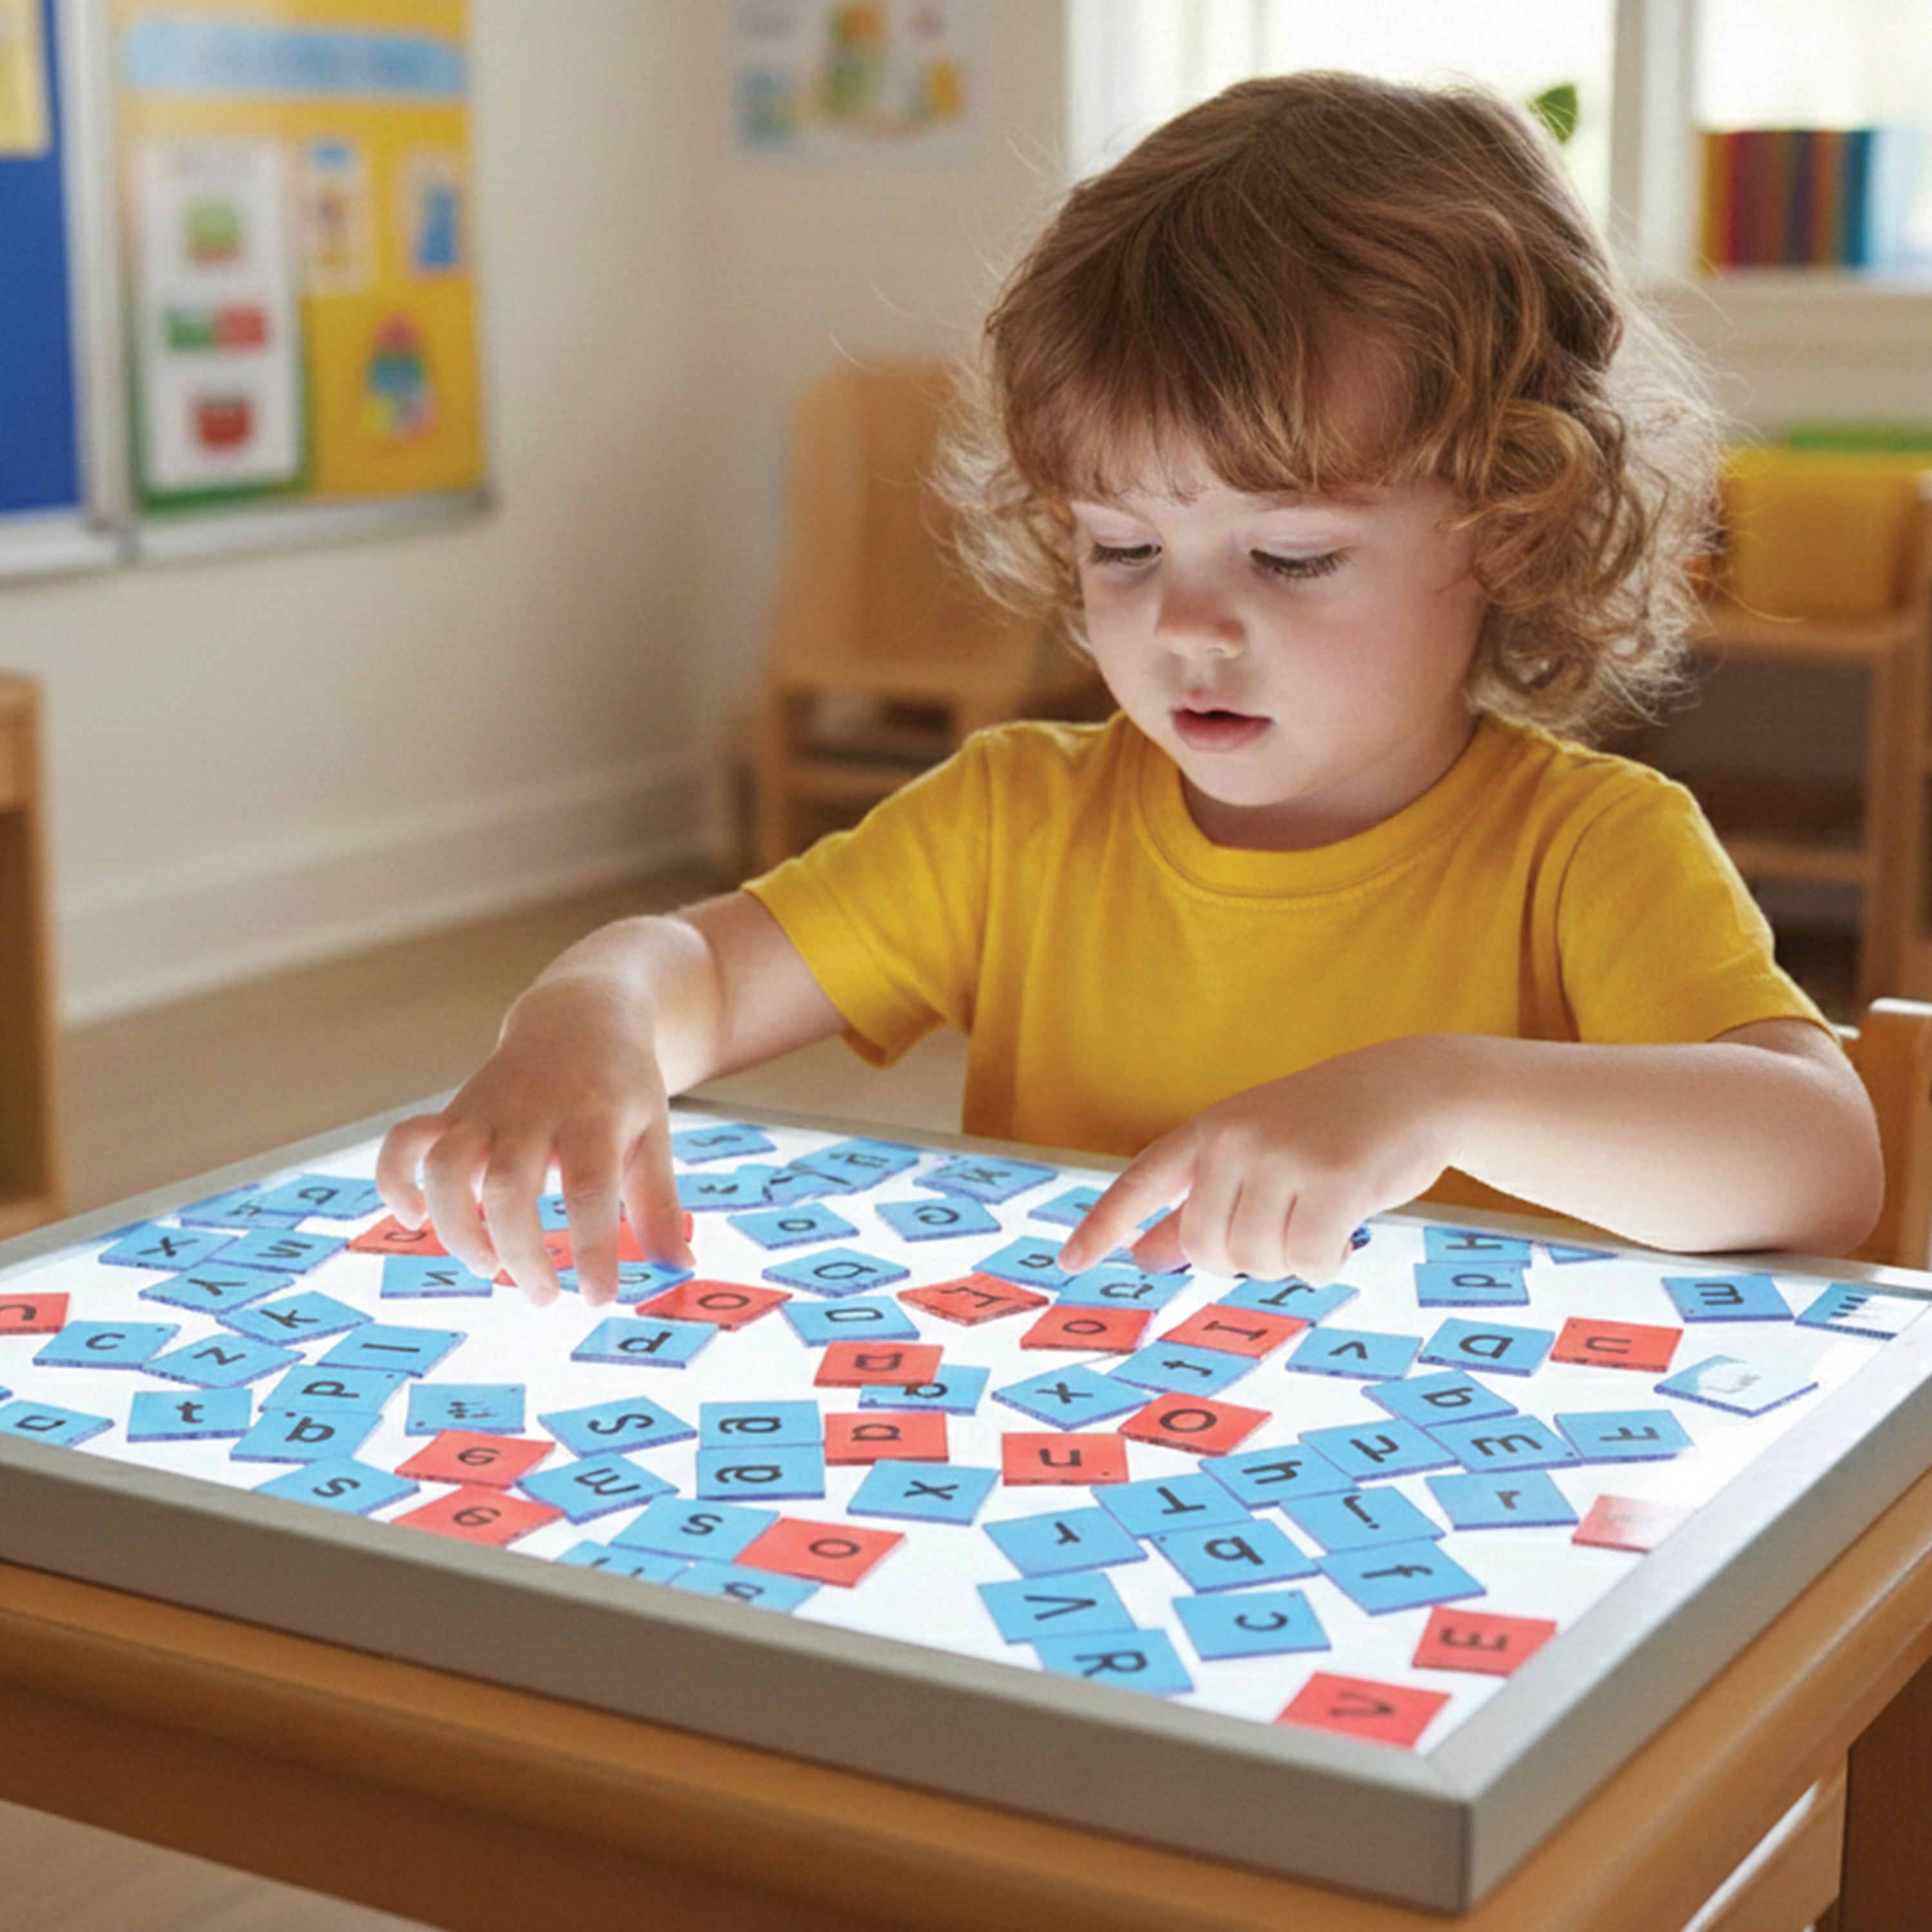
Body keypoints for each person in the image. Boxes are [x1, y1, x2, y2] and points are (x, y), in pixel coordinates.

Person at [377, 71, 1882, 1307]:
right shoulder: (1013, 821)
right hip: (1082, 1468)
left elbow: (1820, 1162)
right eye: (1124, 546)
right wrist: (587, 1016)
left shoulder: (1590, 849)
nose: (1186, 624)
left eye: (1291, 556)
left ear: (1509, 526)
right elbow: (696, 973)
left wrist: (1443, 1094)